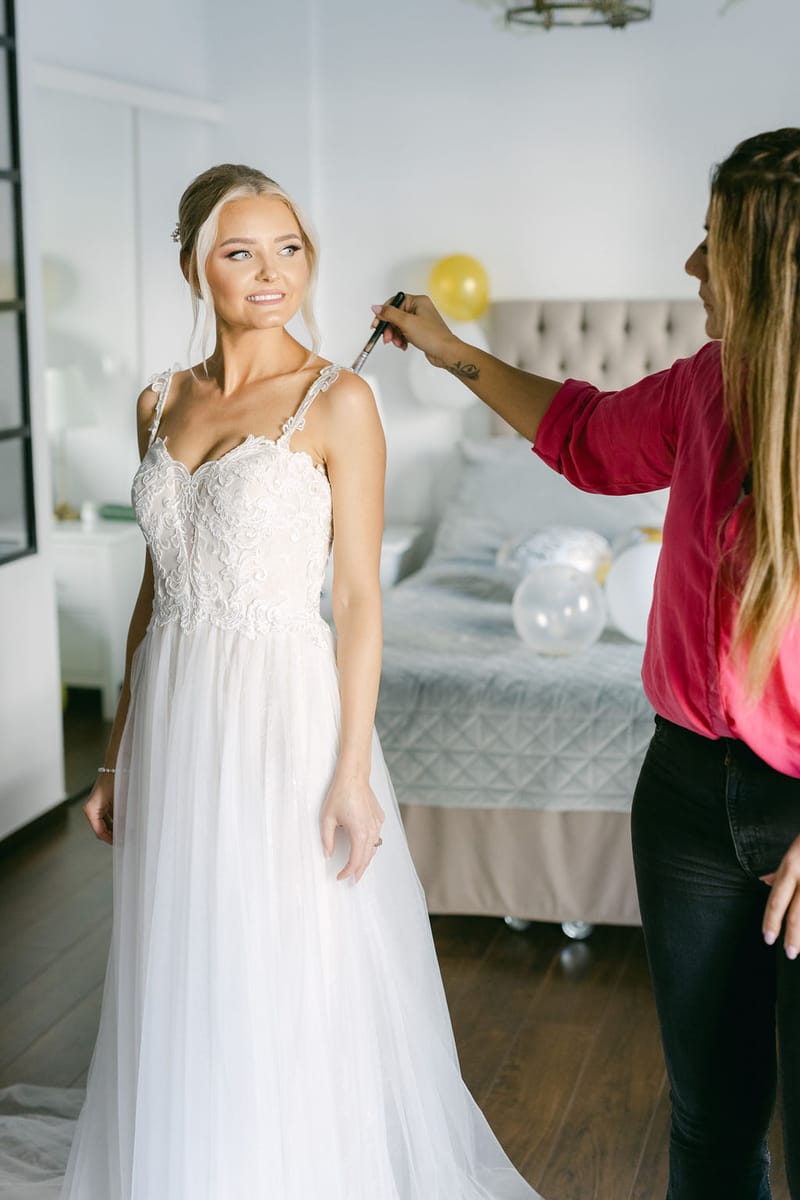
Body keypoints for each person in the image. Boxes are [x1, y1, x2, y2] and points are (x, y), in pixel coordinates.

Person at [0, 165, 546, 1199]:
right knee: (183, 946)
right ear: (192, 266)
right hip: (174, 712)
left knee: (279, 945)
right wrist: (114, 753)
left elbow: (359, 599)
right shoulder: (159, 399)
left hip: (280, 715)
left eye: (288, 249)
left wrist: (353, 772)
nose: (270, 273)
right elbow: (155, 590)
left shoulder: (340, 400)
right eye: (240, 251)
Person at [373, 128, 800, 1200]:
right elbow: (586, 435)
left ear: (765, 267)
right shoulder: (705, 386)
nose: (690, 267)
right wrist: (450, 348)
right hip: (685, 797)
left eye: (710, 246)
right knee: (709, 1122)